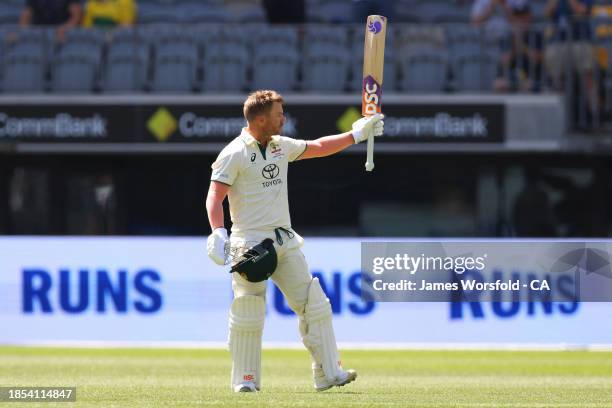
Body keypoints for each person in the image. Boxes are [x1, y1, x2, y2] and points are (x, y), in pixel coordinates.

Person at [205, 90, 383, 393]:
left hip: (283, 240)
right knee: (248, 309)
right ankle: (245, 381)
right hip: (248, 243)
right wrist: (218, 231)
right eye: (278, 114)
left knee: (314, 304)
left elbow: (319, 146)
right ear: (260, 119)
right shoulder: (234, 152)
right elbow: (215, 195)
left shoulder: (280, 146)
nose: (283, 118)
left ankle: (328, 373)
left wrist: (355, 134)